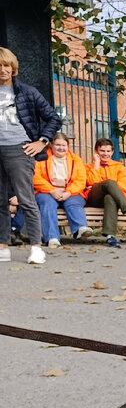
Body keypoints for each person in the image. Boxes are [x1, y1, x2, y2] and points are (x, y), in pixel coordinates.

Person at [0, 47, 60, 264]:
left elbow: (53, 118)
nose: (2, 70)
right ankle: (3, 247)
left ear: (13, 68)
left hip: (19, 149)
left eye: (6, 65)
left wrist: (41, 142)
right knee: (0, 200)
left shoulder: (28, 92)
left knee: (26, 199)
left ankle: (36, 248)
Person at [32, 132, 88, 246]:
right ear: (51, 145)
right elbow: (35, 177)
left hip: (70, 191)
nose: (61, 148)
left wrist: (69, 192)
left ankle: (80, 229)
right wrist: (51, 190)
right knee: (48, 204)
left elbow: (81, 180)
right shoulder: (42, 158)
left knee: (73, 203)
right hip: (47, 191)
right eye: (58, 145)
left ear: (68, 146)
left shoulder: (76, 159)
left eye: (64, 145)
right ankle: (52, 237)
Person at [85, 137, 126, 248]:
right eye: (102, 151)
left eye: (108, 151)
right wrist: (96, 164)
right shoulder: (88, 167)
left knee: (110, 197)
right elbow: (92, 182)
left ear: (112, 152)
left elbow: (125, 184)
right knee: (109, 183)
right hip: (93, 197)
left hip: (110, 199)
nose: (105, 154)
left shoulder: (118, 166)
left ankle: (110, 236)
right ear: (96, 151)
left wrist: (111, 188)